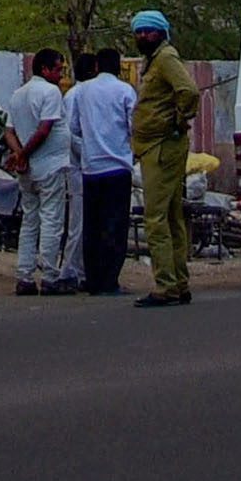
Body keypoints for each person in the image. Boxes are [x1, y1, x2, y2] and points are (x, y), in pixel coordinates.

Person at [124, 11, 197, 307]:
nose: (142, 36)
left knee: (154, 218)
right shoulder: (154, 60)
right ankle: (178, 282)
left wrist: (178, 121)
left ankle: (165, 285)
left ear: (161, 32)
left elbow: (189, 91)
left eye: (148, 31)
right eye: (139, 31)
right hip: (156, 145)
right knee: (171, 216)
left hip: (162, 145)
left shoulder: (165, 58)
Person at [66, 38, 140, 295]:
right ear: (118, 67)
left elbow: (73, 127)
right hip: (118, 166)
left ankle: (93, 280)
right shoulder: (125, 91)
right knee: (115, 225)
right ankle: (110, 280)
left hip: (90, 167)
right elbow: (135, 127)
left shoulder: (82, 91)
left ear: (96, 65)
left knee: (92, 225)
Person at [7, 46, 77, 297]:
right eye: (58, 69)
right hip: (50, 165)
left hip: (28, 169)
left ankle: (24, 276)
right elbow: (44, 130)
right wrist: (23, 154)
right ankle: (49, 276)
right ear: (45, 69)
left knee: (29, 220)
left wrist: (18, 155)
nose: (61, 74)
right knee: (51, 220)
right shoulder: (50, 92)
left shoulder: (18, 94)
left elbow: (9, 131)